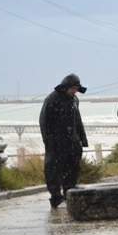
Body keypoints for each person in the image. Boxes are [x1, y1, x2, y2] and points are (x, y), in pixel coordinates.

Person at [39, 74, 88, 208]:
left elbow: (78, 120)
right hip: (56, 141)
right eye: (72, 88)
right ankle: (55, 197)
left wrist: (82, 139)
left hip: (72, 140)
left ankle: (69, 191)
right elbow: (44, 121)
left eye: (76, 89)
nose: (74, 91)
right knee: (54, 169)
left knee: (73, 167)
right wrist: (48, 141)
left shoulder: (75, 100)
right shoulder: (52, 99)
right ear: (65, 87)